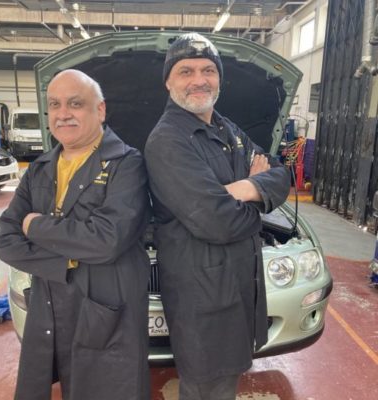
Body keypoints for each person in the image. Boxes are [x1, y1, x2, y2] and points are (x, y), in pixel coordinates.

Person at [144, 33, 291, 400]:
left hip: (238, 282)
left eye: (208, 70)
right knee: (204, 383)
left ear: (220, 80)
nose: (199, 79)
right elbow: (216, 220)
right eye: (186, 71)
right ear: (168, 81)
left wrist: (239, 190)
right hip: (201, 292)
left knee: (228, 377)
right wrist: (256, 196)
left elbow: (280, 174)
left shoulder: (227, 130)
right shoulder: (167, 139)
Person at [0, 69, 151, 400]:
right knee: (69, 387)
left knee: (111, 389)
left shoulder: (127, 164)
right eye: (54, 104)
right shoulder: (39, 168)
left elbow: (107, 240)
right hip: (52, 303)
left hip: (109, 308)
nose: (63, 113)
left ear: (100, 110)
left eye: (75, 103)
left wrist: (34, 226)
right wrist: (66, 259)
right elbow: (7, 241)